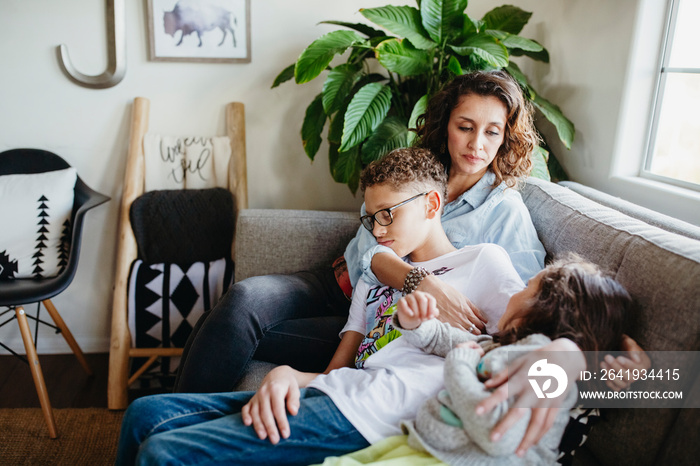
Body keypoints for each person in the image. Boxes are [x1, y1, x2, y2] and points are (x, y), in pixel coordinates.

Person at [116, 147, 529, 465]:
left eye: (388, 214)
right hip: (337, 393)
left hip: (373, 412)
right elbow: (339, 371)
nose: (378, 230)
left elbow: (552, 340)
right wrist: (286, 376)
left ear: (432, 205)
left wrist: (583, 374)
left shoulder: (481, 263)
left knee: (161, 452)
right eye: (372, 219)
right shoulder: (373, 280)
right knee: (141, 414)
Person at [319, 254, 632, 466]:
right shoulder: (500, 347)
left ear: (544, 310)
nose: (513, 295)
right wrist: (415, 323)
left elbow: (500, 435)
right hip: (432, 446)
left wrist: (460, 364)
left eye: (526, 288)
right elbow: (445, 340)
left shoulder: (539, 365)